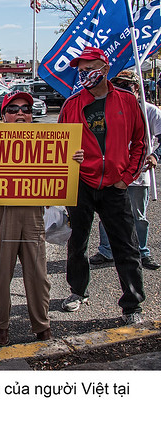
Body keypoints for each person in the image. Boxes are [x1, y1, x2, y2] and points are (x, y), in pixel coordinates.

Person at [0, 91, 84, 346]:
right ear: (4, 116)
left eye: (26, 109)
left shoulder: (47, 140)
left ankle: (42, 326)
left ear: (31, 115)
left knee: (38, 276)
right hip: (1, 215)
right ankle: (2, 325)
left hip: (33, 215)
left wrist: (73, 159)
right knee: (0, 276)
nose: (20, 113)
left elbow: (60, 175)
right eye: (13, 109)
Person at [58, 46, 147, 325]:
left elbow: (140, 143)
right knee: (77, 243)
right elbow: (59, 146)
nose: (84, 74)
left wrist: (126, 178)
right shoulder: (71, 104)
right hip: (82, 184)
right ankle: (78, 291)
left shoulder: (127, 100)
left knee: (126, 246)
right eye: (81, 70)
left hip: (115, 186)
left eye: (90, 68)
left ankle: (132, 304)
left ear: (105, 69)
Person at [90, 70, 161, 271]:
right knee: (107, 214)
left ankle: (142, 251)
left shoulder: (150, 111)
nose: (120, 89)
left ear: (136, 87)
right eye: (118, 85)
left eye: (125, 85)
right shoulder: (107, 108)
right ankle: (107, 250)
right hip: (111, 173)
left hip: (139, 174)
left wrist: (155, 156)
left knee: (138, 217)